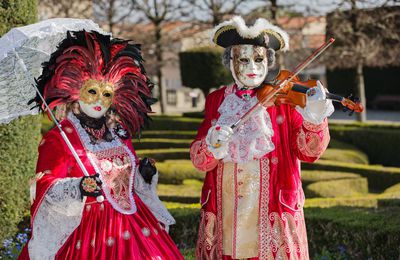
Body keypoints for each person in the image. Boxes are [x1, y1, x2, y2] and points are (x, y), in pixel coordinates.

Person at [19, 31, 183, 260]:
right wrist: (78, 187)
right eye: (92, 91)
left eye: (106, 94)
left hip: (134, 221)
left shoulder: (118, 133)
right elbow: (45, 184)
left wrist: (143, 176)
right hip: (88, 231)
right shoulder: (61, 137)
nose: (99, 101)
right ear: (75, 92)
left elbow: (126, 181)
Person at [190, 16, 334, 260]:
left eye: (258, 59)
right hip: (226, 213)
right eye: (243, 60)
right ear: (230, 62)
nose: (251, 68)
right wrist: (211, 145)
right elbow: (200, 161)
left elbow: (309, 152)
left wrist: (314, 118)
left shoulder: (286, 100)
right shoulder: (216, 100)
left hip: (273, 211)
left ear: (269, 61)